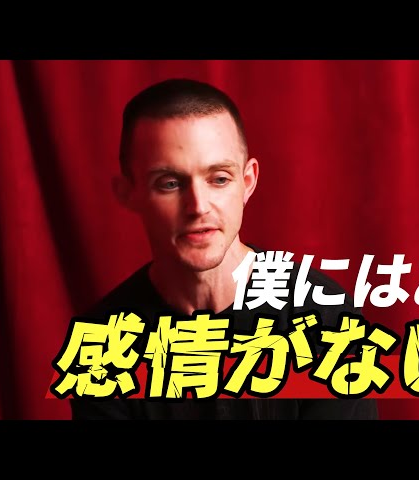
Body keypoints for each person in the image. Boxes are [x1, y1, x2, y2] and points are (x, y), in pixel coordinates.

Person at [68, 78, 378, 420]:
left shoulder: (326, 318)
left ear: (247, 182)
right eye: (169, 183)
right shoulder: (100, 343)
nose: (198, 206)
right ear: (129, 193)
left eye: (219, 179)